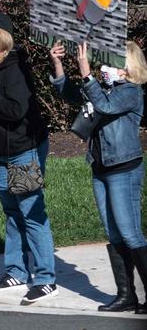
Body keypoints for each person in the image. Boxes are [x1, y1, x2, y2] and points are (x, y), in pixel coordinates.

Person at [50, 40, 147, 314]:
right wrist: (58, 65)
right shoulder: (102, 89)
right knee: (114, 233)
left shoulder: (130, 92)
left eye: (112, 62)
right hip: (100, 166)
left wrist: (87, 73)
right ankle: (126, 295)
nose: (105, 67)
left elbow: (104, 106)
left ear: (128, 67)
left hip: (123, 168)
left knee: (131, 234)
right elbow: (70, 94)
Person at [0, 10, 57, 303]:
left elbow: (16, 110)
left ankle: (45, 278)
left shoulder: (16, 71)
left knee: (31, 213)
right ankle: (16, 272)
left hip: (24, 151)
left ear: (2, 39)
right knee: (11, 212)